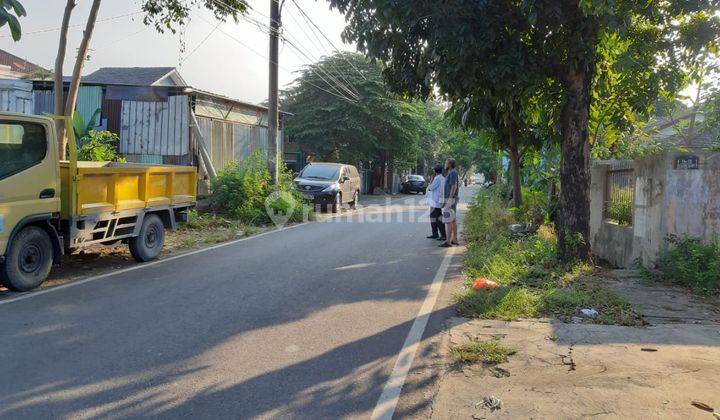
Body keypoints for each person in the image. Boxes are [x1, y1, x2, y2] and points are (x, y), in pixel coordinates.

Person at [440, 158, 459, 247]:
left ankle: (448, 241)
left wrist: (449, 200)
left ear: (449, 164)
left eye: (446, 163)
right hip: (450, 199)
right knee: (453, 219)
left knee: (448, 220)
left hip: (450, 199)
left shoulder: (453, 172)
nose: (445, 164)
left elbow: (454, 186)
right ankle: (454, 239)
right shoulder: (451, 172)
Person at [426, 164, 446, 241]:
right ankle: (435, 233)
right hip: (437, 201)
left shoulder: (437, 179)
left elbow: (431, 188)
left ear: (435, 171)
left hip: (436, 201)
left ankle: (443, 235)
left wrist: (430, 181)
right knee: (433, 217)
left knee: (437, 218)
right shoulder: (442, 178)